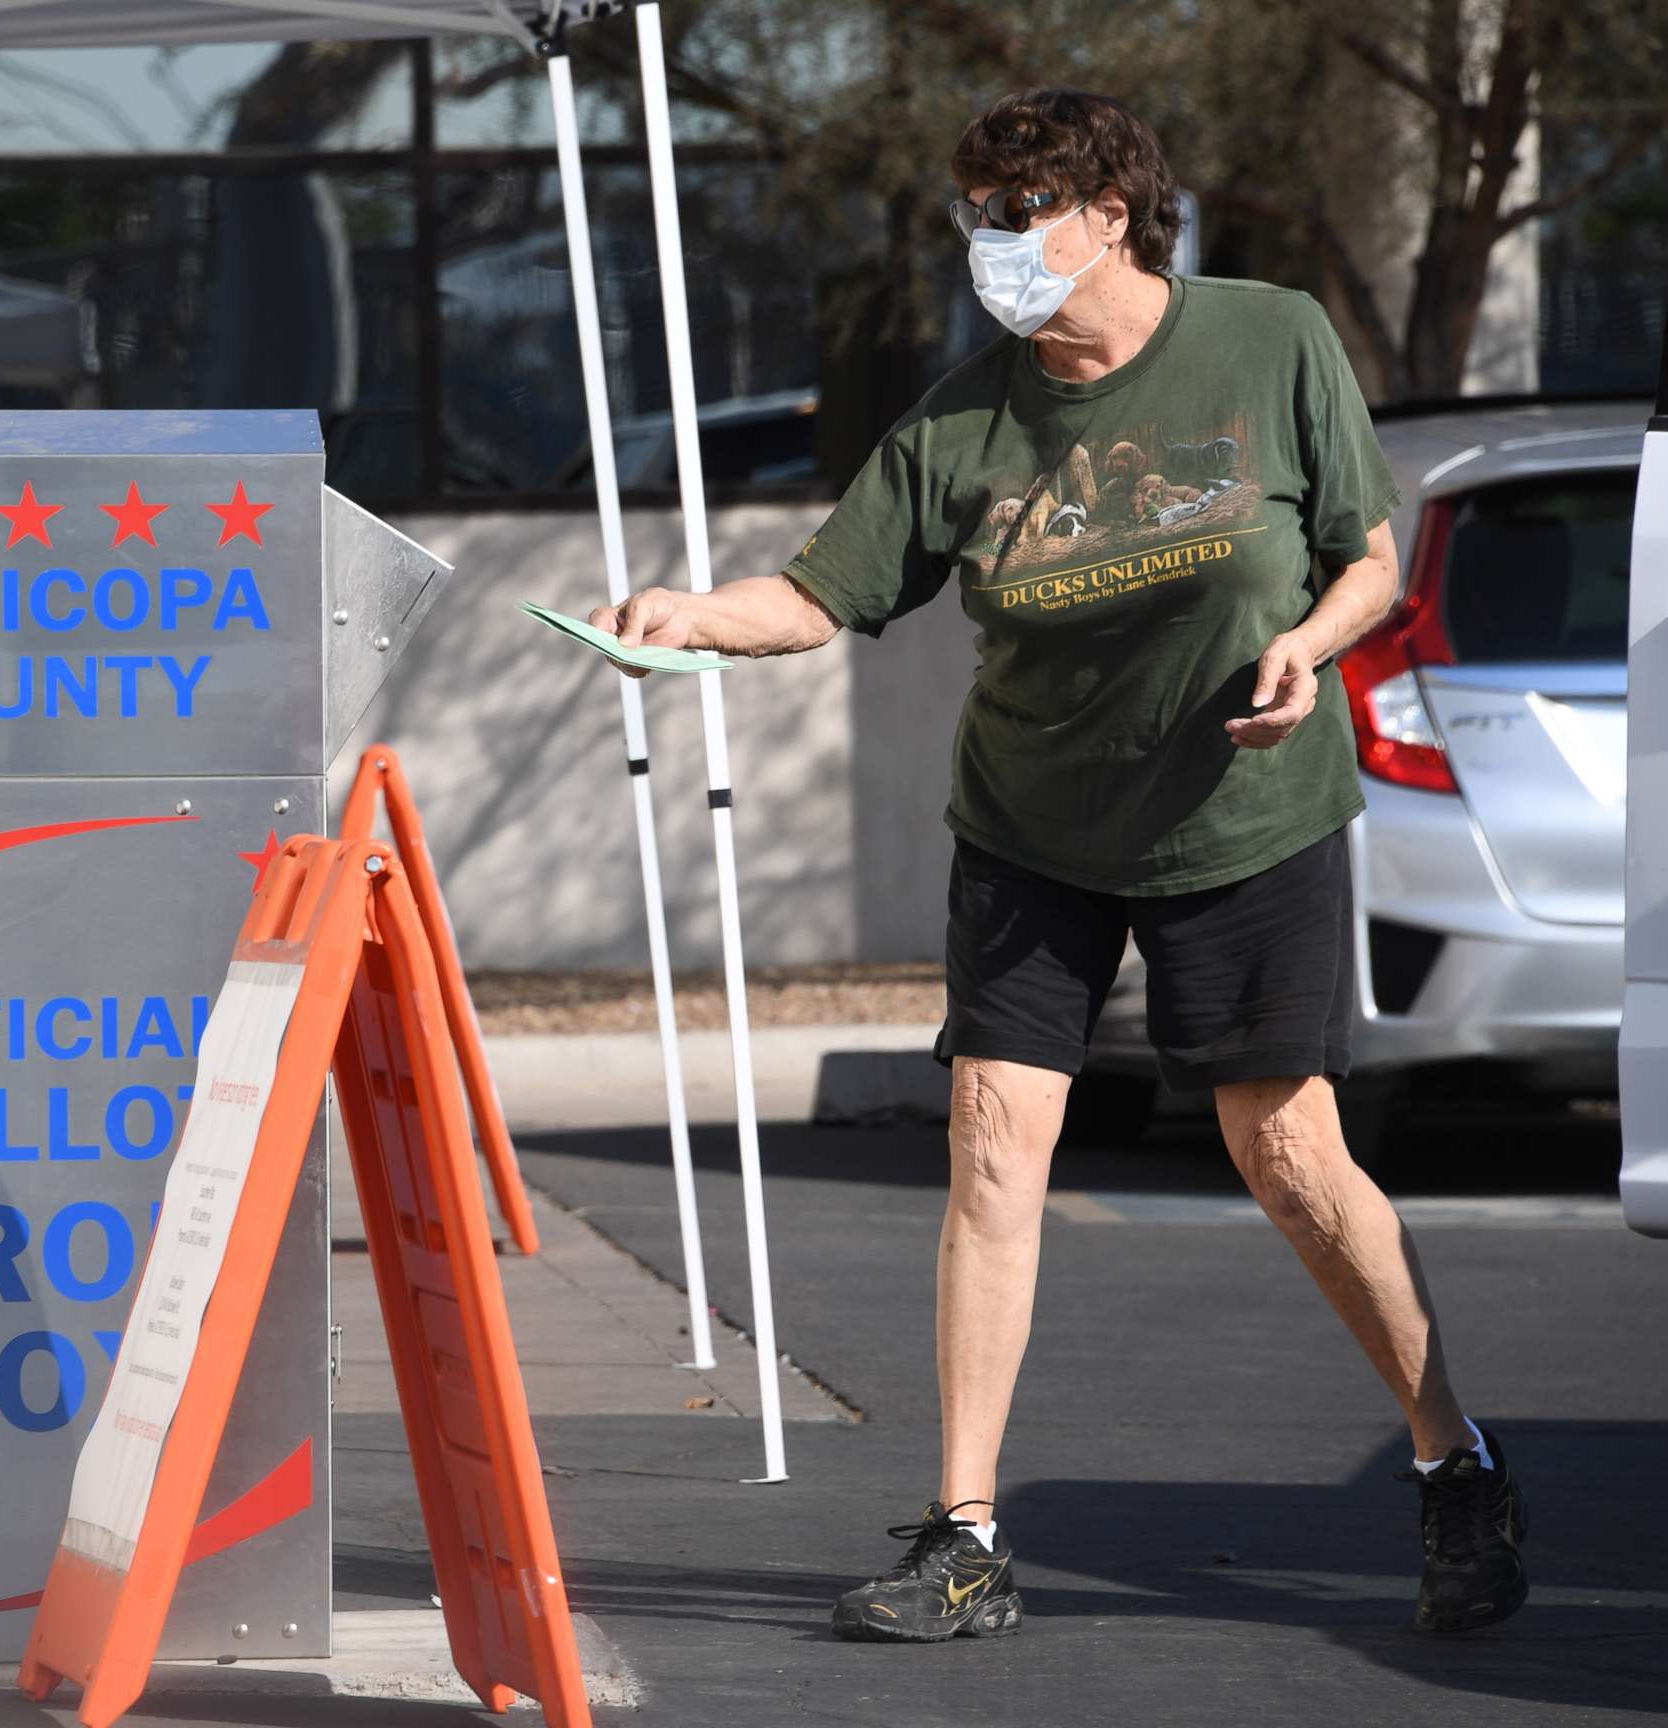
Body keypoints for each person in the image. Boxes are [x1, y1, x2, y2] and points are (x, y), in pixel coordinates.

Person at [587, 88, 1527, 1641]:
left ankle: (1452, 1460)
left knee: (1287, 1158)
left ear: (1109, 216)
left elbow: (1368, 557)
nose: (990, 246)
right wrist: (688, 612)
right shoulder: (962, 420)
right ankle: (965, 1538)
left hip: (1244, 814)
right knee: (991, 1148)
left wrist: (1304, 645)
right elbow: (822, 595)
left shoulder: (1271, 337)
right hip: (1033, 827)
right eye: (974, 214)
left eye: (1016, 213)